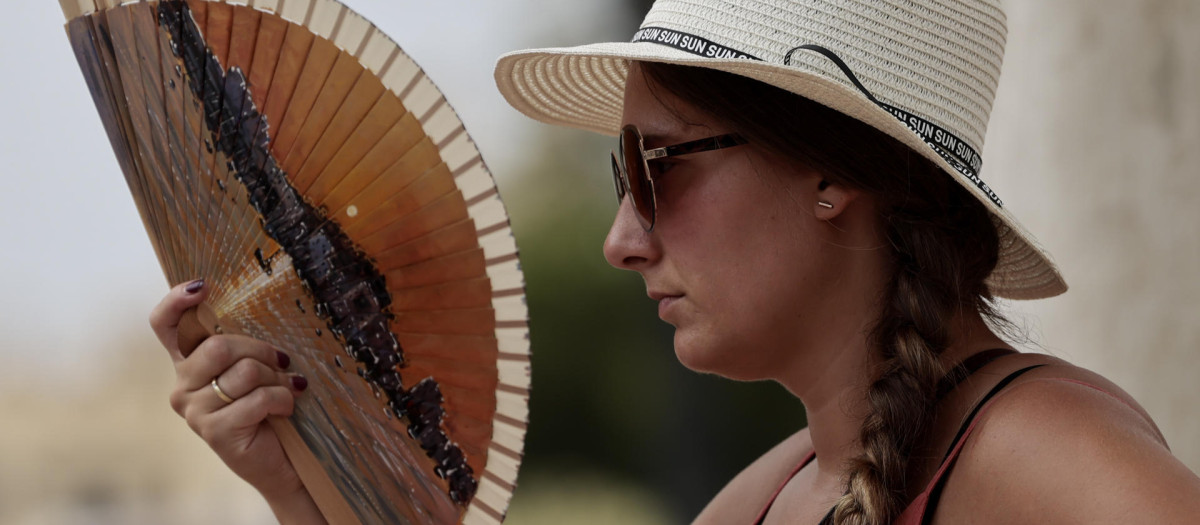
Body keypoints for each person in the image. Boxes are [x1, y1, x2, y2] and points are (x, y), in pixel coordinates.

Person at [152, 0, 1200, 523]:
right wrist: (308, 493)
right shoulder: (769, 498)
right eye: (620, 180)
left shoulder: (1045, 459)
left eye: (660, 168)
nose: (621, 239)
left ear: (830, 173)